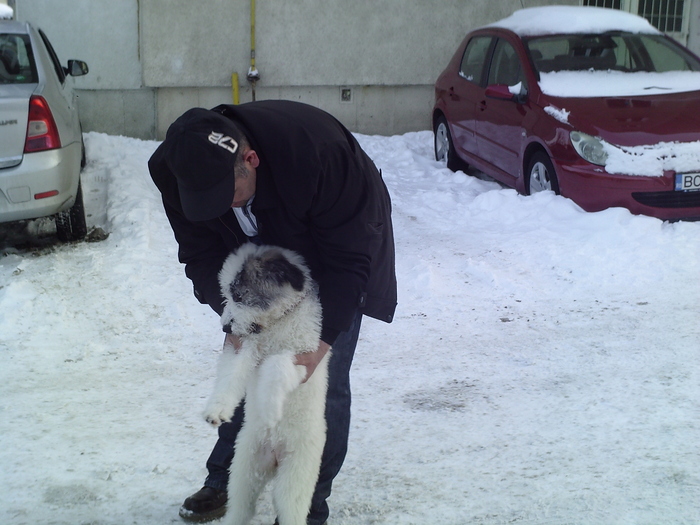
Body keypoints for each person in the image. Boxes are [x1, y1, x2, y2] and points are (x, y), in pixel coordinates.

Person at [148, 100, 397, 525]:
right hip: (260, 272)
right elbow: (200, 254)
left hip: (337, 249)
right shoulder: (175, 167)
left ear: (251, 160)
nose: (221, 210)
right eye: (205, 202)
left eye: (226, 196)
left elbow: (350, 262)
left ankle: (307, 504)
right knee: (251, 363)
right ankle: (226, 479)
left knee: (323, 382)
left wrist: (321, 343)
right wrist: (234, 313)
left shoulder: (321, 154)